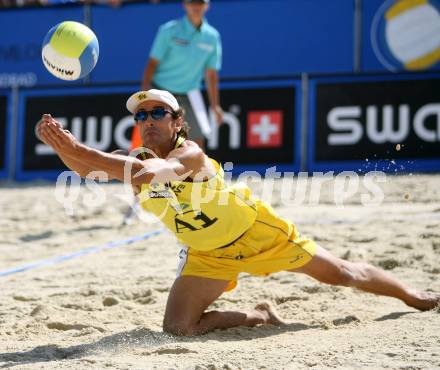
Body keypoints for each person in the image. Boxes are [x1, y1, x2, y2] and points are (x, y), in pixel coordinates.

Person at [37, 89, 439, 337]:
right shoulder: (134, 157)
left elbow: (149, 172)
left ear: (178, 122)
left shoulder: (190, 153)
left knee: (344, 274)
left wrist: (78, 150)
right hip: (207, 253)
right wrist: (63, 146)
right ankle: (257, 315)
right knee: (178, 329)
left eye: (158, 113)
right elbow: (89, 169)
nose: (147, 120)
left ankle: (410, 294)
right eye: (141, 116)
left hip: (255, 233)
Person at [140, 0, 223, 149]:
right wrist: (145, 96)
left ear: (207, 5)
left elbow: (211, 74)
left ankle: (194, 173)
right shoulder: (168, 30)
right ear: (185, 4)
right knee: (154, 142)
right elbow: (152, 64)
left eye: (200, 2)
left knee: (197, 144)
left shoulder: (212, 36)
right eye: (192, 2)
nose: (196, 6)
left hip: (191, 94)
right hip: (161, 92)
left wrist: (215, 106)